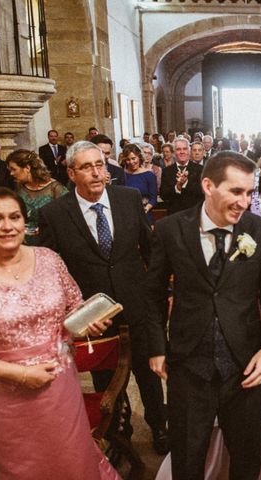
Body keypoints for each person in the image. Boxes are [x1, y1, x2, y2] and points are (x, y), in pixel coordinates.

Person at [146, 151, 261, 479]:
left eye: (249, 192)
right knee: (187, 452)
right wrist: (156, 346)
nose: (244, 201)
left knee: (246, 454)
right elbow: (151, 296)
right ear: (208, 186)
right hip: (188, 361)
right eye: (236, 192)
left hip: (244, 363)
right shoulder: (170, 230)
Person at [0, 187, 119, 479]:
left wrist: (86, 322)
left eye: (15, 217)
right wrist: (23, 375)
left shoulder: (49, 259)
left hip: (60, 386)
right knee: (24, 466)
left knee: (72, 457)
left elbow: (75, 306)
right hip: (9, 395)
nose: (7, 226)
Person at [39, 141, 168, 455]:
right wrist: (75, 312)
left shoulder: (128, 199)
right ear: (71, 173)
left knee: (148, 376)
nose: (97, 173)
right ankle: (118, 434)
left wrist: (159, 295)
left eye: (100, 165)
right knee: (107, 380)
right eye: (86, 167)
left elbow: (151, 251)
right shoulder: (54, 214)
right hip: (94, 316)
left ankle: (159, 427)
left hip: (137, 305)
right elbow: (52, 272)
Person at [6, 149, 68, 245]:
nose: (11, 173)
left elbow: (65, 221)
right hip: (21, 242)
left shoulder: (55, 189)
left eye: (14, 169)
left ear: (27, 168)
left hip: (48, 243)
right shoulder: (18, 187)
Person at [160, 138, 204, 215]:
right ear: (174, 152)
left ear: (189, 151)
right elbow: (163, 195)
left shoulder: (200, 169)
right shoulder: (166, 171)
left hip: (194, 215)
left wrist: (185, 183)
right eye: (178, 149)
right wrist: (177, 187)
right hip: (174, 215)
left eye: (185, 149)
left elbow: (202, 194)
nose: (182, 152)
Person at [121, 144, 158, 223]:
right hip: (126, 215)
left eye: (133, 158)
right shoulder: (122, 174)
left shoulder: (149, 175)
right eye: (128, 159)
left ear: (139, 157)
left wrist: (146, 208)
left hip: (145, 214)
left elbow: (153, 199)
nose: (131, 162)